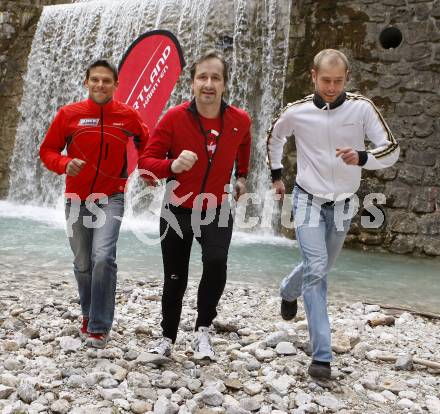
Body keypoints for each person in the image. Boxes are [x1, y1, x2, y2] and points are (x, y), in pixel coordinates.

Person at [267, 49, 399, 379]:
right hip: (307, 198)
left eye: (338, 81)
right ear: (313, 76)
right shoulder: (297, 112)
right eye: (325, 80)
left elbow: (391, 149)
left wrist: (363, 157)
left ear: (347, 78)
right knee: (317, 269)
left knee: (322, 264)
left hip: (343, 203)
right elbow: (275, 137)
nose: (331, 87)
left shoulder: (361, 108)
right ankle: (322, 356)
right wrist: (276, 174)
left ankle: (287, 289)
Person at [138, 50, 251, 360]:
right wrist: (172, 166)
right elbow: (145, 162)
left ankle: (203, 330)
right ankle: (167, 337)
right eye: (202, 77)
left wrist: (241, 177)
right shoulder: (174, 117)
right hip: (176, 210)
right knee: (175, 276)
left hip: (216, 208)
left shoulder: (239, 120)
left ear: (225, 84)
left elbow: (244, 145)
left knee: (216, 263)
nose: (209, 83)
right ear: (192, 83)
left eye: (216, 77)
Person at [39, 60, 149, 349]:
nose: (100, 85)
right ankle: (87, 314)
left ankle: (100, 326)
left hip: (111, 197)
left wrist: (147, 169)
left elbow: (146, 142)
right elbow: (47, 150)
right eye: (95, 80)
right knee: (82, 262)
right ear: (86, 82)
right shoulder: (69, 115)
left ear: (115, 85)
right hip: (76, 198)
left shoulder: (127, 116)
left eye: (106, 81)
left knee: (103, 257)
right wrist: (64, 163)